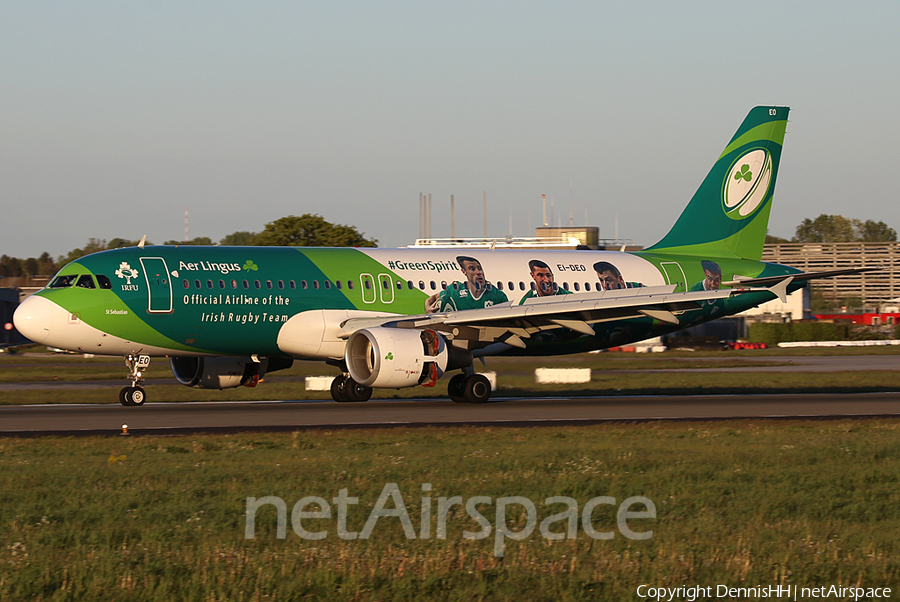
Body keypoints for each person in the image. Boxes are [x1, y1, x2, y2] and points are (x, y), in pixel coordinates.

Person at [425, 256, 508, 312]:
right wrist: (428, 307)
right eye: (472, 269)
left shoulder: (497, 295)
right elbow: (433, 298)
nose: (478, 272)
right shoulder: (455, 291)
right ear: (464, 272)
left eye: (479, 268)